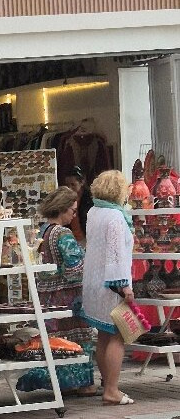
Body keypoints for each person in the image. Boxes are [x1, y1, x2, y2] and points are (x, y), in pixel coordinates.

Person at [16, 186, 97, 396]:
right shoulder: (63, 234)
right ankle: (83, 383)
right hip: (69, 297)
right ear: (62, 209)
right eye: (72, 210)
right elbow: (74, 269)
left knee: (55, 341)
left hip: (47, 295)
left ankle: (55, 379)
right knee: (79, 340)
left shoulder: (44, 230)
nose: (74, 214)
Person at [81, 170, 135, 405]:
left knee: (104, 335)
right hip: (111, 283)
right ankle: (111, 389)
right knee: (117, 335)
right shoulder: (114, 216)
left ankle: (108, 383)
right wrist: (124, 285)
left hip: (94, 280)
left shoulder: (94, 211)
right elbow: (116, 253)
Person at [62, 165, 93, 243]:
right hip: (69, 239)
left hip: (87, 238)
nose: (69, 188)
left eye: (73, 184)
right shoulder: (64, 199)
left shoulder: (90, 199)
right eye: (67, 185)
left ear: (82, 182)